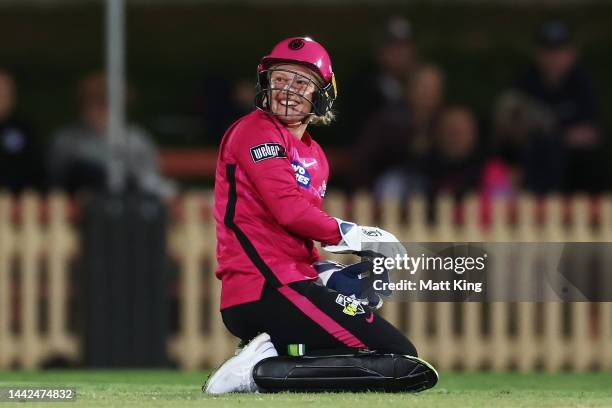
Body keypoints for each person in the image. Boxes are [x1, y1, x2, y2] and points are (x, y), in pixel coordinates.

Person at [204, 37, 437, 394]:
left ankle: (264, 362)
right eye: (281, 78)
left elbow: (298, 235)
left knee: (403, 358)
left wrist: (326, 273)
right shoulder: (255, 130)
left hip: (290, 283)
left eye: (302, 82)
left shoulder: (315, 154)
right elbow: (289, 211)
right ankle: (255, 372)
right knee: (396, 361)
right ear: (265, 82)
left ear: (321, 93)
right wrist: (356, 235)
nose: (288, 90)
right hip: (265, 288)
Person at [494, 21, 603, 194]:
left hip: (573, 170)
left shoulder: (584, 84)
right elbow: (509, 130)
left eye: (559, 51)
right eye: (548, 51)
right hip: (530, 163)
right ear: (538, 53)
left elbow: (589, 135)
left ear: (571, 54)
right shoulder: (524, 82)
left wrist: (550, 135)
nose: (553, 57)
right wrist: (562, 135)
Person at [47, 72, 174, 197]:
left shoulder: (137, 140)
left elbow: (149, 181)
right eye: (91, 105)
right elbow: (55, 184)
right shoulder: (66, 140)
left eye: (103, 106)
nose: (96, 113)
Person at [0, 69, 45, 193]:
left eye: (5, 93)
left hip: (19, 203)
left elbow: (36, 170)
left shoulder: (24, 128)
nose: (2, 98)